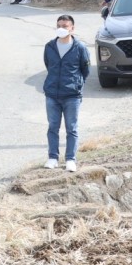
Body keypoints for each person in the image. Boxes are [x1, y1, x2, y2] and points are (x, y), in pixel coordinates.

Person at [43, 15, 90, 172]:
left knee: (72, 128)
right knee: (53, 127)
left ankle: (70, 159)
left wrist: (76, 84)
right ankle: (53, 158)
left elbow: (85, 70)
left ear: (72, 28)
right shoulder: (49, 47)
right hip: (52, 94)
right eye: (59, 26)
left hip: (72, 95)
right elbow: (49, 65)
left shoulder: (80, 48)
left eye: (65, 26)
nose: (61, 28)